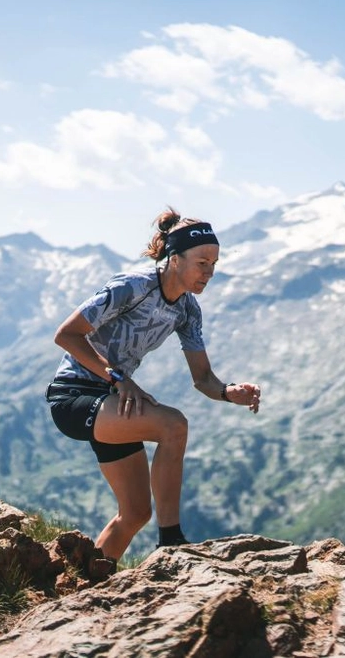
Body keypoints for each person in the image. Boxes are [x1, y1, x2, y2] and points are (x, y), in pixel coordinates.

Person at [46, 208, 261, 566]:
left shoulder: (188, 311)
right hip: (74, 396)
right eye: (202, 262)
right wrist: (117, 377)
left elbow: (202, 379)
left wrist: (228, 392)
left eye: (214, 264)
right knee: (173, 425)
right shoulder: (132, 286)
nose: (209, 272)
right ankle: (171, 541)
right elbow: (66, 334)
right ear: (174, 259)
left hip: (114, 401)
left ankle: (82, 582)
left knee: (134, 514)